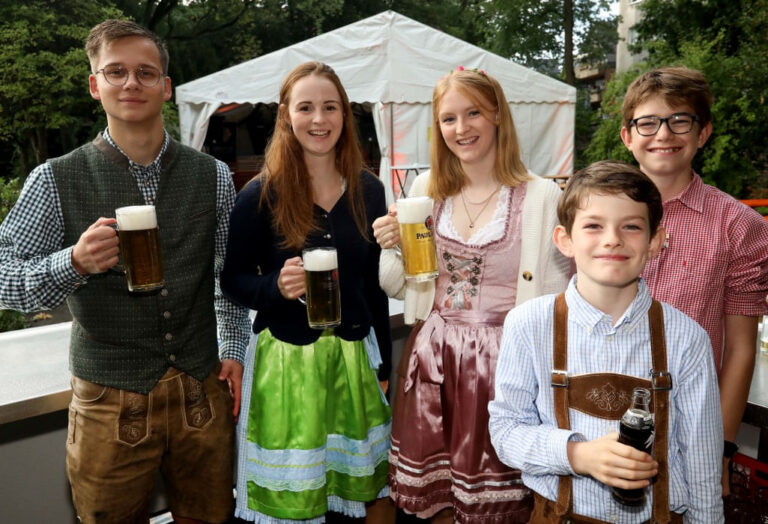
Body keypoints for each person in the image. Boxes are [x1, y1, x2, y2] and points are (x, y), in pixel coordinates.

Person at [0, 19, 251, 524]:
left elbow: (228, 278)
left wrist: (233, 350)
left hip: (201, 391)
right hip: (108, 400)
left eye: (145, 72)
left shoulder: (214, 175)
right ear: (95, 85)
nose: (131, 83)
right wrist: (71, 262)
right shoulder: (55, 178)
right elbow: (4, 278)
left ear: (166, 86)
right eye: (115, 72)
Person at [374, 68, 572, 523]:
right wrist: (391, 246)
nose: (460, 129)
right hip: (433, 358)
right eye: (448, 119)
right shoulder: (426, 190)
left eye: (473, 114)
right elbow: (399, 286)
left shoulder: (543, 197)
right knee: (438, 501)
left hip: (508, 368)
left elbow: (560, 298)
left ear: (498, 115)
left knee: (502, 504)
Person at [489, 160, 724, 522]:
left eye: (631, 226)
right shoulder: (528, 324)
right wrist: (577, 455)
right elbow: (505, 431)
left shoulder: (687, 339)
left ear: (655, 241)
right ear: (565, 240)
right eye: (594, 226)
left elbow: (703, 463)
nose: (612, 238)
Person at [220, 61, 394, 523]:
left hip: (354, 361)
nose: (320, 119)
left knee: (358, 497)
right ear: (285, 116)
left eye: (330, 107)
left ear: (344, 115)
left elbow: (375, 286)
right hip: (287, 367)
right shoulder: (259, 195)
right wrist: (274, 287)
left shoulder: (369, 190)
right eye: (306, 107)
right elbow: (232, 280)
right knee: (295, 500)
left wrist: (384, 368)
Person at [619, 66, 768, 493]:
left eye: (679, 120)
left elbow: (740, 349)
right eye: (647, 122)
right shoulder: (595, 215)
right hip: (596, 409)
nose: (663, 134)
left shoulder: (739, 226)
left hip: (688, 424)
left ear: (702, 133)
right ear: (628, 136)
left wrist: (719, 449)